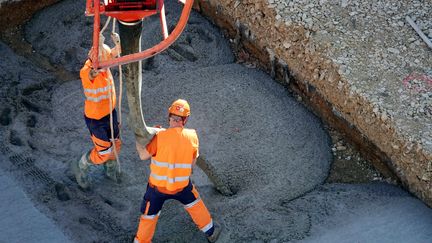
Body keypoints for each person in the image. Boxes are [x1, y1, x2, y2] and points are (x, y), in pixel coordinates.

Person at [134, 99, 222, 243]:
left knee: (148, 217)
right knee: (195, 204)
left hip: (157, 189)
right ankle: (211, 232)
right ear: (185, 119)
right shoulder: (193, 136)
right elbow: (192, 164)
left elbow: (143, 155)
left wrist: (139, 141)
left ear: (169, 116)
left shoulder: (159, 137)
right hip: (181, 186)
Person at [71, 36, 122, 190]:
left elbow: (115, 53)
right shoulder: (86, 71)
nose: (105, 61)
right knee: (104, 151)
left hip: (110, 112)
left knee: (116, 144)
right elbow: (92, 74)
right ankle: (81, 165)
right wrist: (97, 67)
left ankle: (110, 167)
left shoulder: (104, 54)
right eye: (100, 59)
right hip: (96, 119)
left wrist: (118, 43)